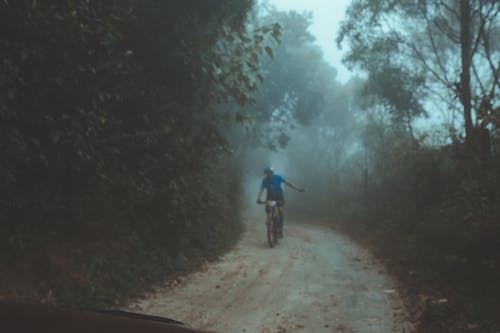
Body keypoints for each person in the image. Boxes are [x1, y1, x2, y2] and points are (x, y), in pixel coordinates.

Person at [257, 167, 305, 238]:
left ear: (272, 173)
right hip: (270, 197)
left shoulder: (278, 177)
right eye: (267, 173)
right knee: (267, 208)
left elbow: (288, 183)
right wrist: (258, 199)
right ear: (265, 174)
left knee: (280, 211)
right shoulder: (265, 180)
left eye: (270, 173)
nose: (268, 174)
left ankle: (280, 230)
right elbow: (261, 190)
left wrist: (298, 189)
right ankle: (269, 220)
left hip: (279, 197)